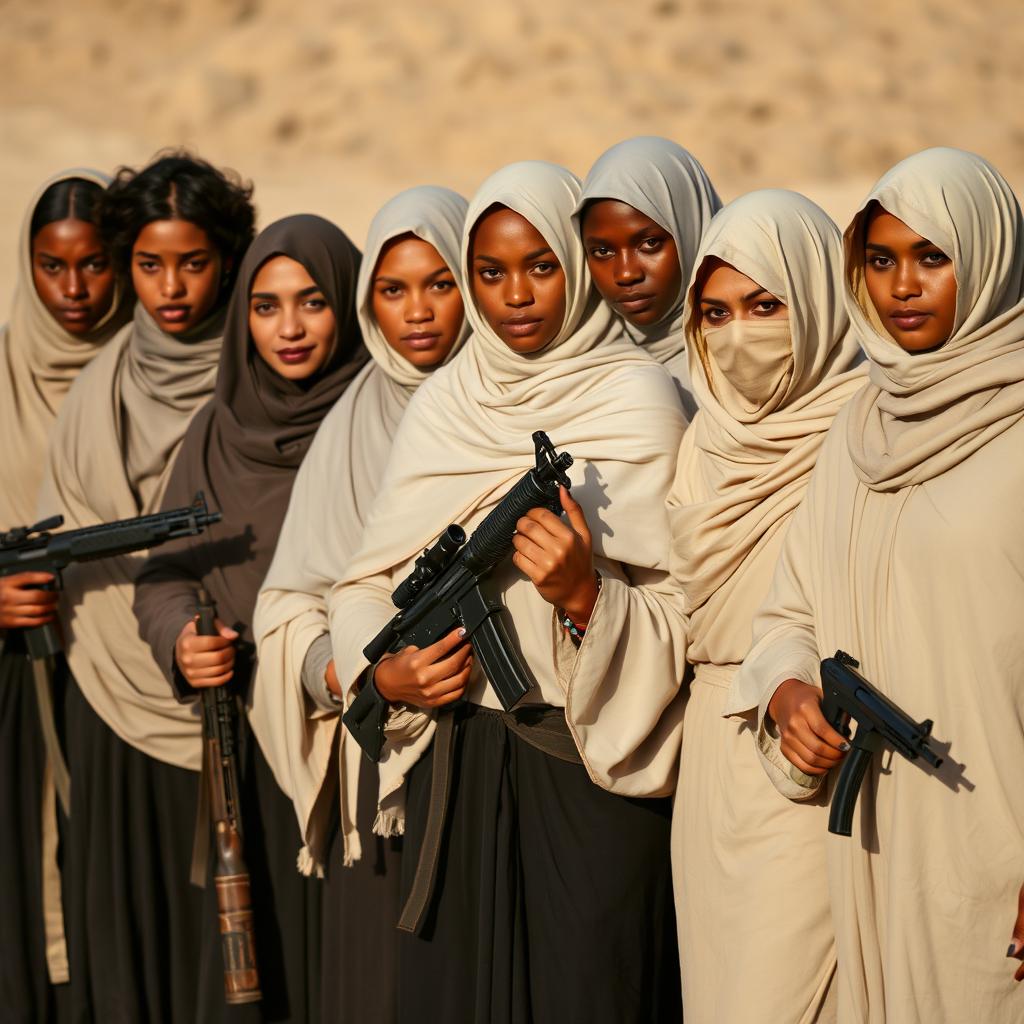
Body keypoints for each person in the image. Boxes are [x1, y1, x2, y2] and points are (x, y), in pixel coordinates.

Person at [326, 160, 685, 1023]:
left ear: (576, 263)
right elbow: (365, 582)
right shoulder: (446, 403)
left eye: (541, 266)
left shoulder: (640, 400)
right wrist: (386, 678)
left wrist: (583, 596)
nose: (515, 294)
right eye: (490, 272)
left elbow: (685, 608)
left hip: (592, 768)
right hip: (459, 762)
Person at [734, 147, 1024, 1022]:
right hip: (877, 843)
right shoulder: (858, 429)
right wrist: (787, 692)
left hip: (997, 832)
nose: (903, 285)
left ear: (988, 258)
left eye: (932, 257)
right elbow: (794, 603)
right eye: (882, 259)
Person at [133, 213, 369, 1022]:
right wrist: (182, 638)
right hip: (249, 747)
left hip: (360, 742)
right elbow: (164, 572)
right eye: (266, 307)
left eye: (312, 302)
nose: (290, 329)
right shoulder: (217, 430)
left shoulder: (384, 419)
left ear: (349, 302)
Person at [38, 152, 255, 1024]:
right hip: (109, 701)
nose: (172, 287)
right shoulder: (96, 395)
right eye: (149, 264)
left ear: (227, 261)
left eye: (193, 263)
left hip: (228, 702)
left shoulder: (257, 384)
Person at [252, 186, 469, 1023]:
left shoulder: (509, 406)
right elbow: (289, 600)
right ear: (368, 300)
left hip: (495, 756)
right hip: (379, 768)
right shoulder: (349, 425)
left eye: (441, 282)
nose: (417, 312)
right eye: (393, 288)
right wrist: (350, 672)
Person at [668, 189, 866, 1022]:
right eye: (714, 312)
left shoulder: (866, 428)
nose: (738, 334)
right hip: (705, 770)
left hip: (810, 759)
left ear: (820, 299)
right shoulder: (702, 438)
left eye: (765, 305)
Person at [0, 168, 130, 1024]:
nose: (73, 291)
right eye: (52, 266)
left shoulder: (144, 371)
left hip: (121, 681)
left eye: (93, 266)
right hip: (13, 687)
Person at [576, 135, 721, 418]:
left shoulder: (748, 358)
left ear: (691, 229)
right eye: (603, 251)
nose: (626, 273)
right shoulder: (582, 368)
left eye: (650, 244)